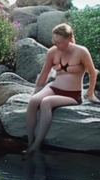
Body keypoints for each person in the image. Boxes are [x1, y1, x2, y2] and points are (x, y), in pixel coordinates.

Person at [26, 23, 98, 153]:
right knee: (34, 101)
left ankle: (36, 144)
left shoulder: (81, 52)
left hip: (72, 95)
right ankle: (29, 140)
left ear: (69, 39)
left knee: (46, 102)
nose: (56, 45)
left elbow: (92, 73)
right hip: (53, 87)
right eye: (54, 41)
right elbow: (44, 73)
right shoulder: (52, 51)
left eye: (59, 42)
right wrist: (36, 91)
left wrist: (91, 93)